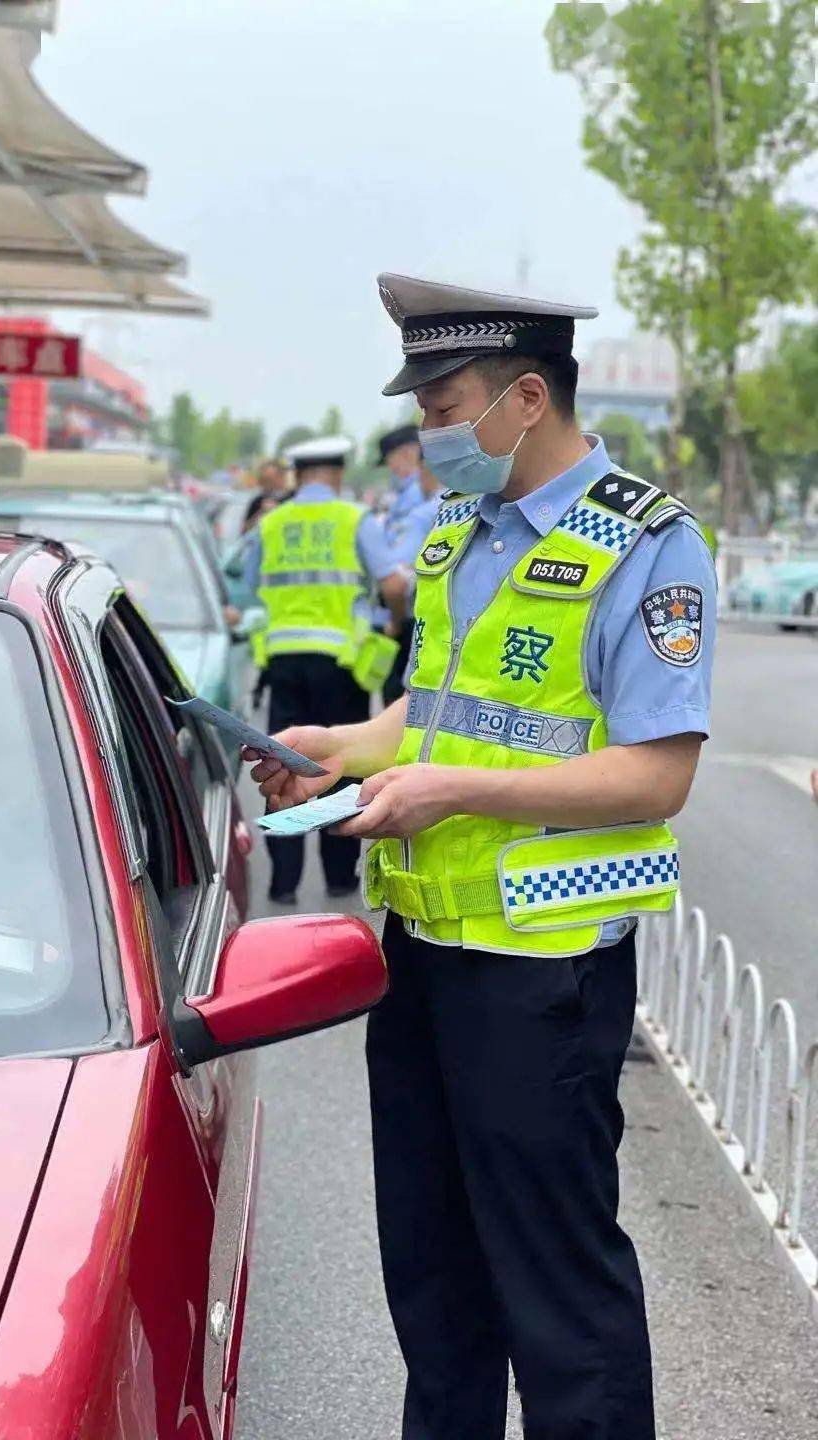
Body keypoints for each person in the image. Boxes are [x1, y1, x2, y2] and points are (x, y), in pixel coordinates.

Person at [247, 274, 717, 1440]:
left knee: (561, 1309)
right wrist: (340, 752)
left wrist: (456, 791)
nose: (427, 435)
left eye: (444, 407)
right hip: (423, 960)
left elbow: (657, 771)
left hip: (543, 971)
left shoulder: (646, 546)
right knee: (436, 1292)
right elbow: (433, 711)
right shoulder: (461, 532)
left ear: (523, 397)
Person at [242, 434, 407, 904]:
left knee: (282, 770)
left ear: (297, 475)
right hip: (342, 664)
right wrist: (392, 623)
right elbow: (394, 584)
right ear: (336, 474)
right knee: (342, 765)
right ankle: (339, 879)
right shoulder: (355, 519)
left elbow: (251, 587)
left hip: (283, 662)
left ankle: (283, 885)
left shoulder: (271, 523)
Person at [375, 424, 446, 703]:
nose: (391, 469)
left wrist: (394, 618)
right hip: (428, 617)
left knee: (402, 699)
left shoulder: (422, 508)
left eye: (391, 460)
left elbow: (397, 577)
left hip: (411, 617)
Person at [242, 457, 291, 532]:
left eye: (269, 479)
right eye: (263, 479)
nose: (263, 483)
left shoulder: (294, 498)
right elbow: (245, 532)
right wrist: (260, 513)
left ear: (282, 477)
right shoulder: (257, 501)